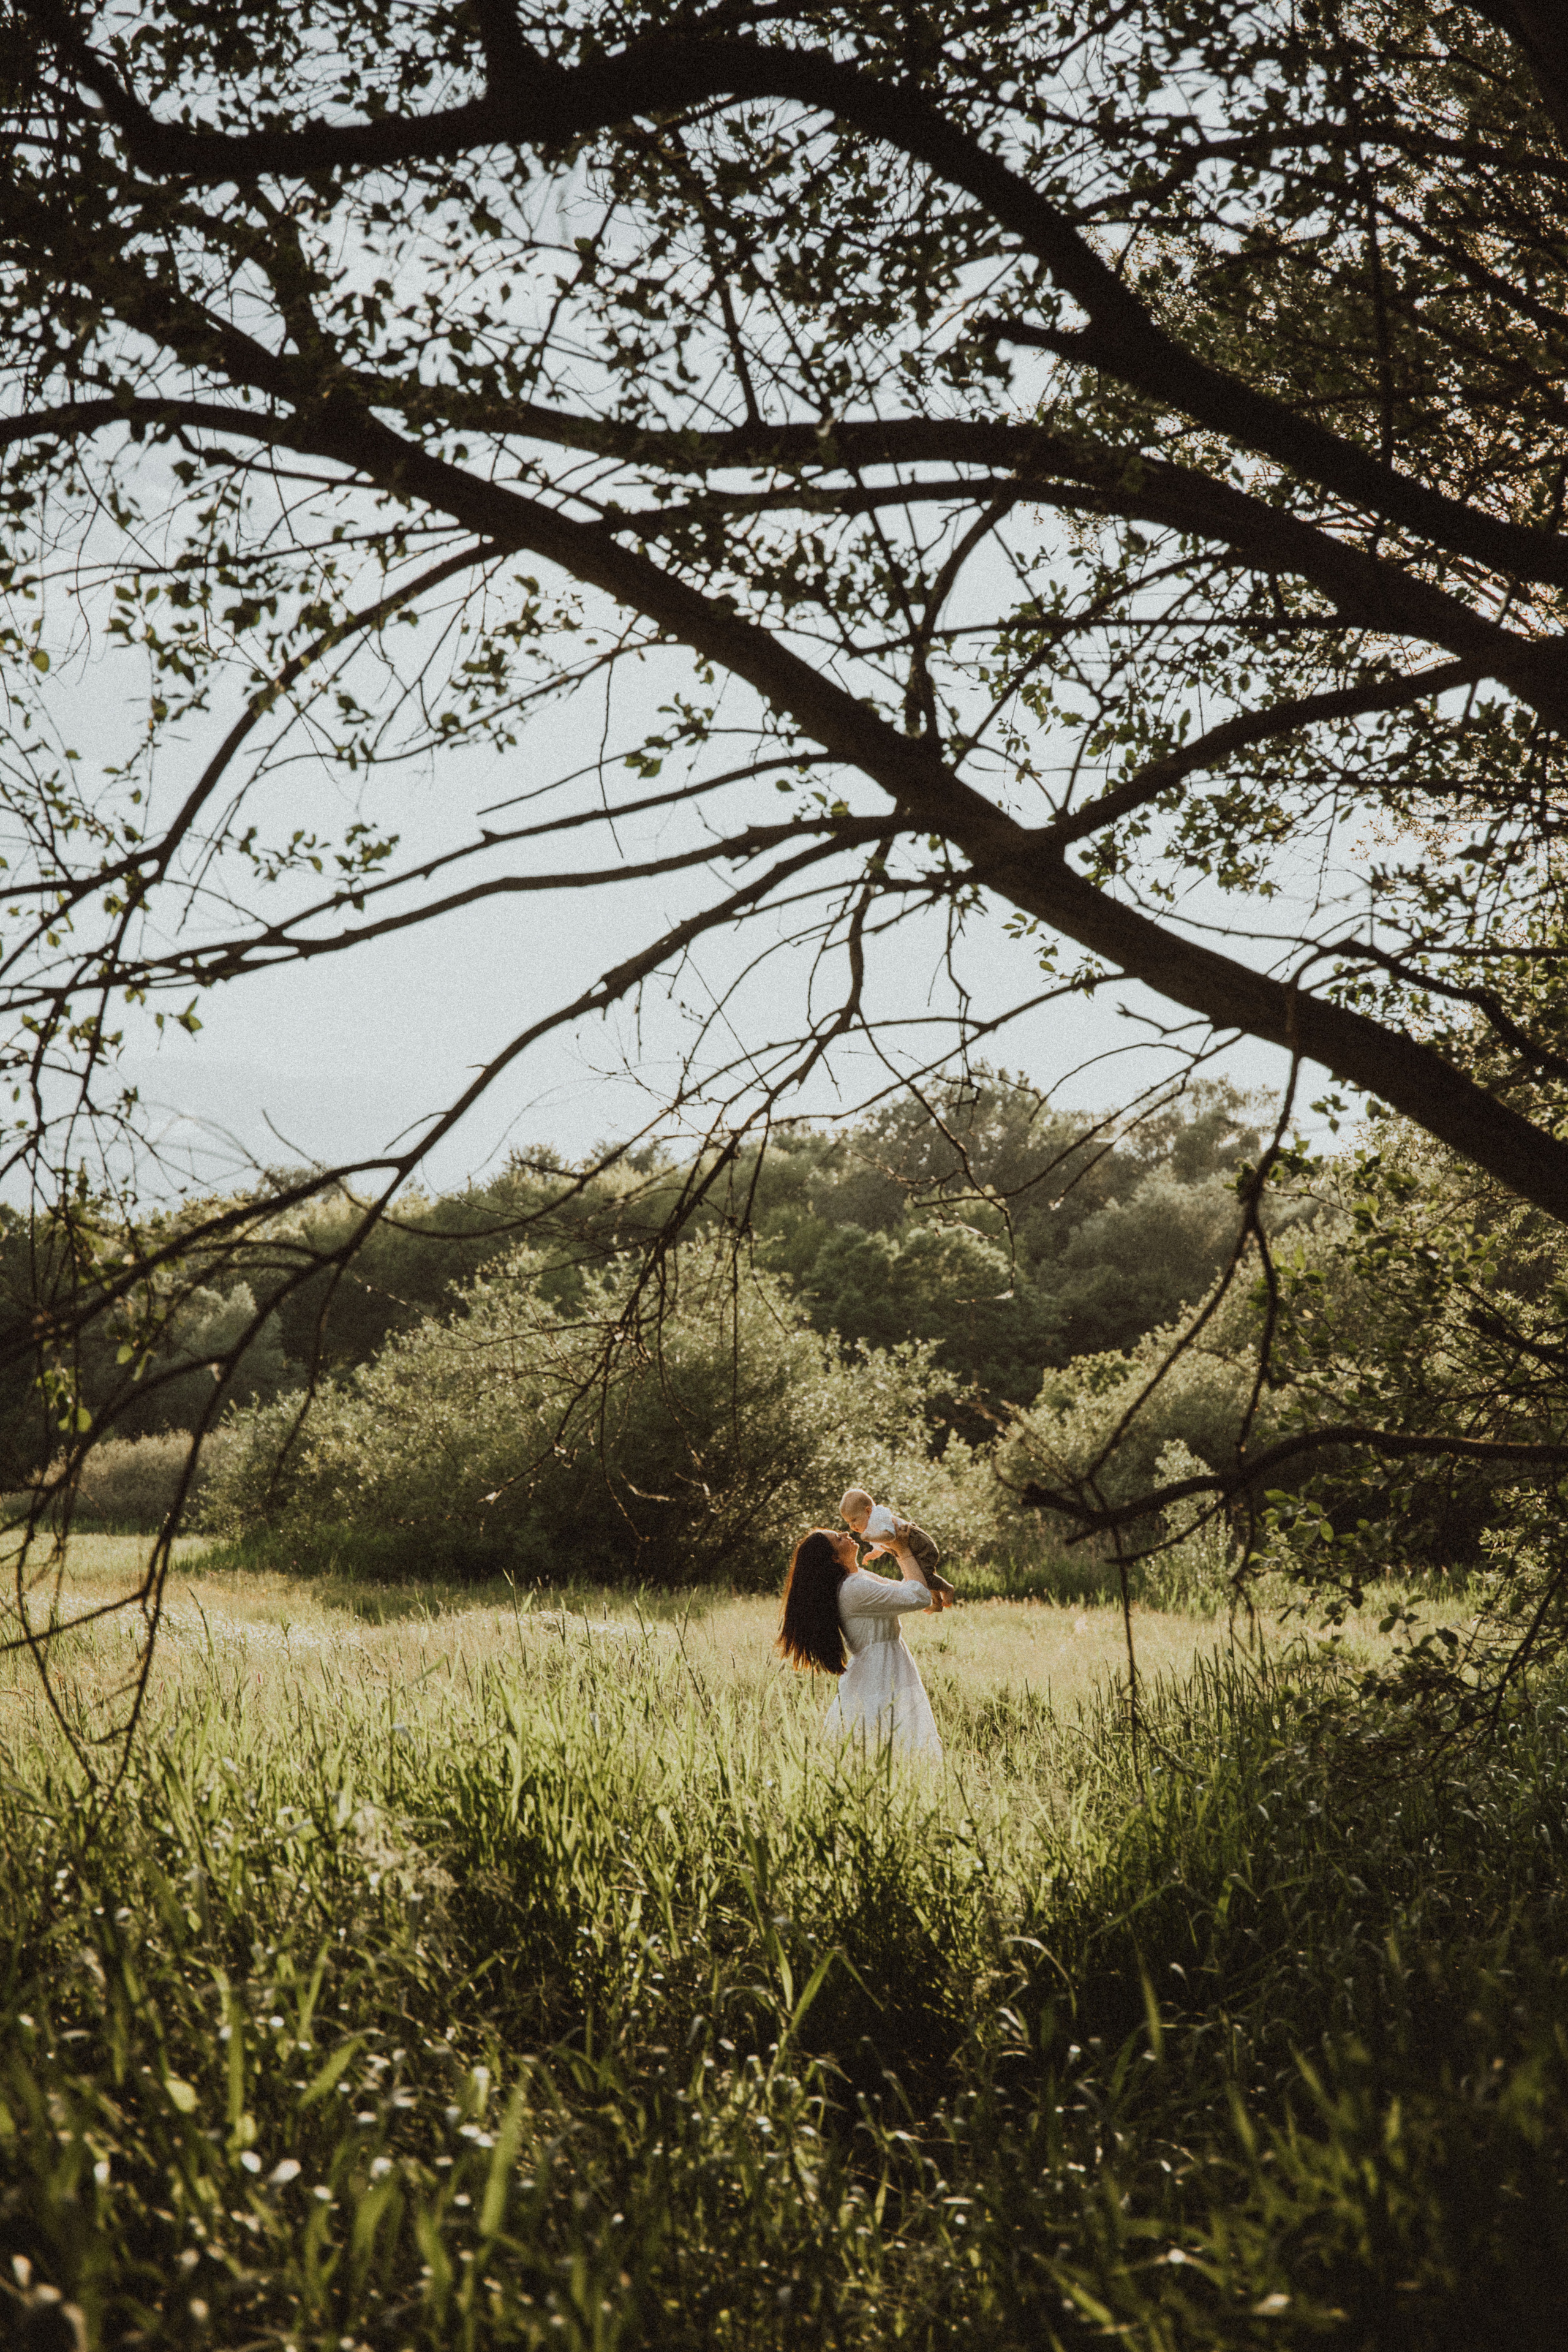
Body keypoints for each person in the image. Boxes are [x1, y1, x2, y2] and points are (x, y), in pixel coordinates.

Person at [776, 1525, 944, 1758]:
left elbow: (908, 1589)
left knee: (892, 1739)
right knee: (884, 1740)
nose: (846, 1534)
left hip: (887, 1664)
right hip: (878, 1671)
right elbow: (918, 1596)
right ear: (835, 1558)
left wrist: (898, 1550)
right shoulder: (853, 1589)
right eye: (838, 1538)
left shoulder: (858, 1578)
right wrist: (904, 1550)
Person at [838, 1487, 957, 1610]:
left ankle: (947, 1588)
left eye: (854, 1520)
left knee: (922, 1578)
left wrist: (870, 1537)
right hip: (912, 1548)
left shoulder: (878, 1518)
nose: (852, 1526)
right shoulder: (871, 1525)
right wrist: (874, 1554)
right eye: (848, 1522)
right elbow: (883, 1545)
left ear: (868, 1511)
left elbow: (890, 1536)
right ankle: (937, 1602)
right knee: (920, 1576)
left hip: (920, 1545)